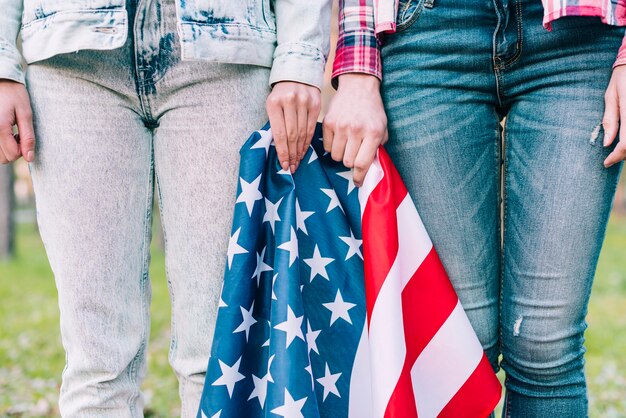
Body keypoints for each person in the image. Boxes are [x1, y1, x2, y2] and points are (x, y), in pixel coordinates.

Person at [0, 0, 330, 416]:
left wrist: (299, 57)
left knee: (218, 356)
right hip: (71, 58)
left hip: (224, 48)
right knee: (95, 365)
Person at [324, 0, 626, 416]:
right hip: (427, 32)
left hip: (581, 39)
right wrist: (358, 66)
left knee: (545, 343)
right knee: (454, 342)